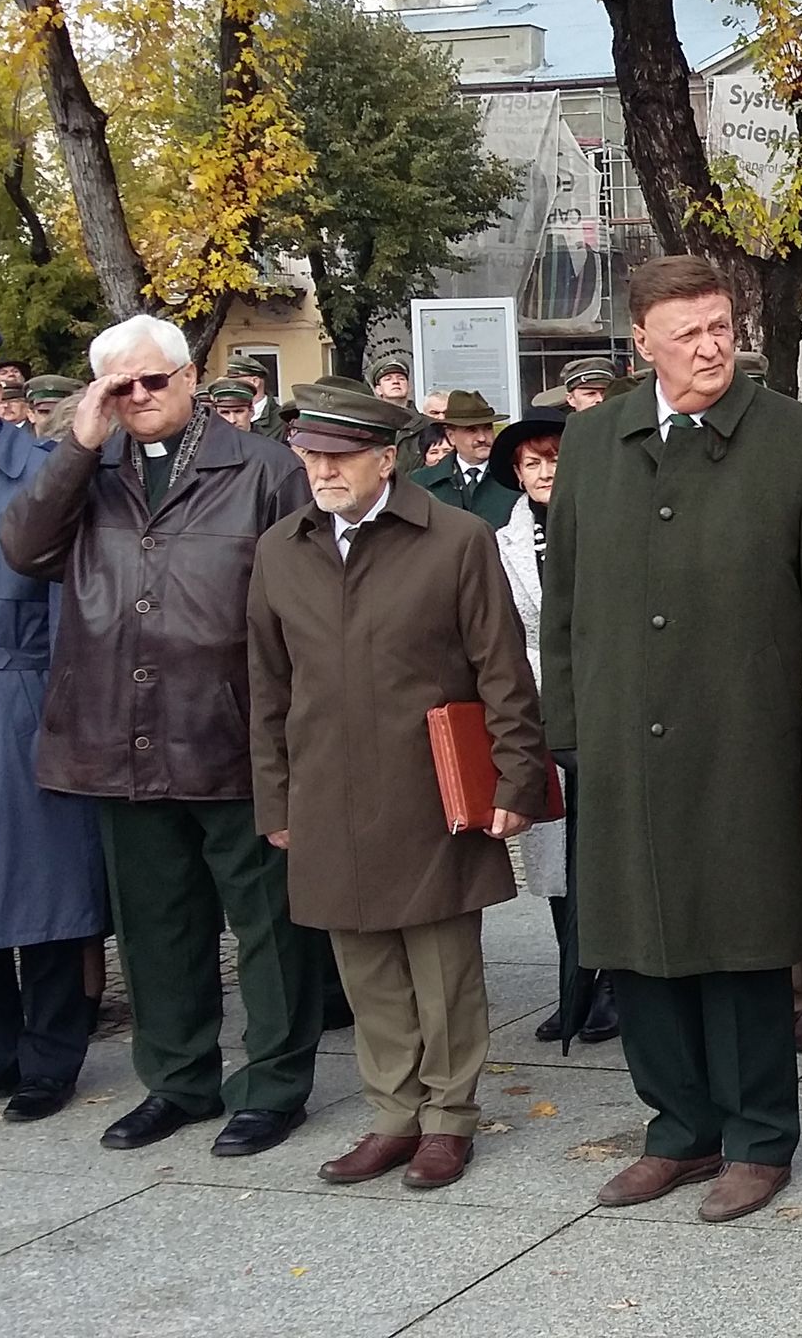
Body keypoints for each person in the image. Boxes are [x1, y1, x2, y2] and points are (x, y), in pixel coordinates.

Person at [542, 255, 802, 1223]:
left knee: (743, 944)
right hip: (623, 740)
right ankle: (677, 1128)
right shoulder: (590, 444)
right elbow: (565, 604)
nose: (712, 348)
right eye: (689, 334)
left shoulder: (796, 443)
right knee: (636, 943)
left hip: (745, 741)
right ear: (642, 344)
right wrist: (569, 733)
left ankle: (758, 1137)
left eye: (721, 327)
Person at [0, 313, 324, 1158]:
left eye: (153, 379)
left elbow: (312, 594)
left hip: (233, 728)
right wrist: (76, 445)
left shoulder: (264, 467)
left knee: (268, 924)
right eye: (121, 385)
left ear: (188, 377)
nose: (139, 397)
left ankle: (274, 1085)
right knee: (155, 927)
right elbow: (26, 551)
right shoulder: (85, 469)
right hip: (120, 735)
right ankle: (178, 1082)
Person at [248, 384, 552, 1190]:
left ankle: (449, 1118)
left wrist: (519, 775)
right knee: (363, 960)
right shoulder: (282, 547)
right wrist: (274, 799)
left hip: (430, 788)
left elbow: (503, 670)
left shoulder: (454, 539)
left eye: (341, 454)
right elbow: (267, 686)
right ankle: (393, 1114)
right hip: (325, 790)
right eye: (312, 454)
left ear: (390, 457)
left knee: (441, 962)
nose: (323, 469)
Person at [0, 323, 108, 1124]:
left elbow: (72, 596)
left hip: (19, 691)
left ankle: (50, 1054)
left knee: (42, 884)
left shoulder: (40, 473)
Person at [483, 414, 617, 1046]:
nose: (545, 472)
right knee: (556, 856)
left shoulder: (602, 520)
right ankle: (575, 983)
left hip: (601, 697)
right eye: (532, 464)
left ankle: (615, 981)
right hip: (535, 705)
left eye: (554, 458)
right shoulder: (501, 541)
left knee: (607, 849)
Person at [411, 391, 516, 528]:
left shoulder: (515, 477)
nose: (482, 438)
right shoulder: (422, 483)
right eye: (471, 430)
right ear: (451, 436)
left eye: (488, 428)